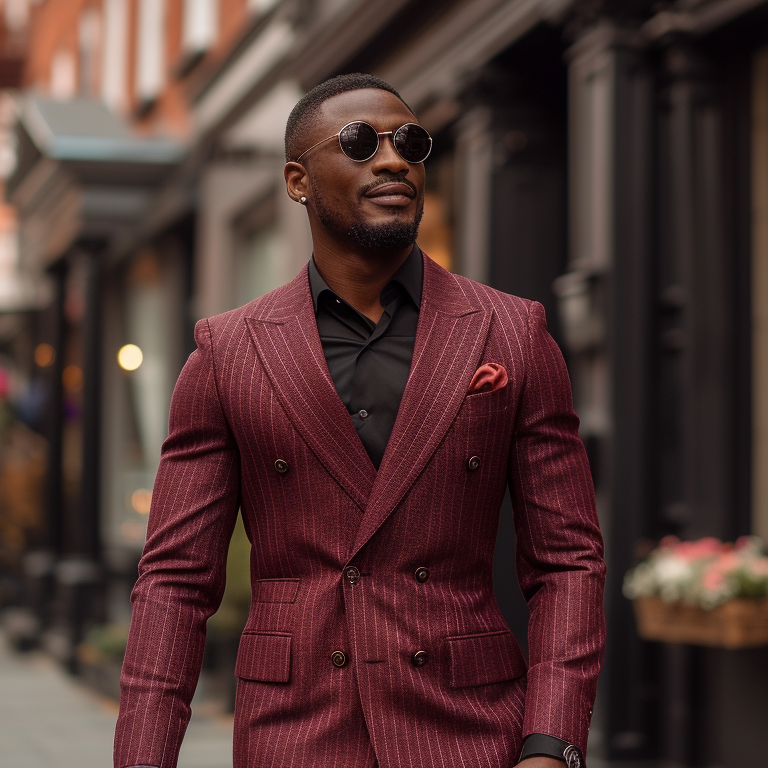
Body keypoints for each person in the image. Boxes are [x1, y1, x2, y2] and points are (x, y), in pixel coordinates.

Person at [114, 73, 605, 768]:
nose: (394, 159)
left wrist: (552, 744)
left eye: (410, 141)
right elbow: (174, 581)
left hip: (468, 731)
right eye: (358, 143)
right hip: (298, 733)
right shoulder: (228, 353)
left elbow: (568, 560)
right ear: (297, 180)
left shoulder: (512, 332)